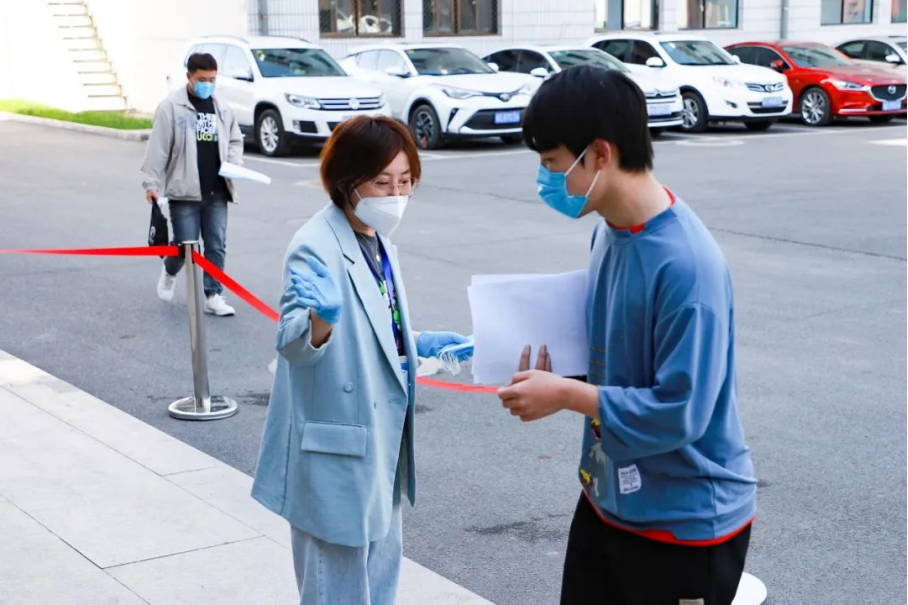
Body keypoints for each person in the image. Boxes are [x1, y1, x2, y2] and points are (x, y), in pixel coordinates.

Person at [497, 66, 757, 605]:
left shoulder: (687, 267)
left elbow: (680, 411)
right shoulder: (610, 232)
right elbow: (612, 355)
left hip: (682, 525)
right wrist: (557, 371)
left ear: (599, 154)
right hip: (607, 499)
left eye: (551, 163)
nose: (545, 179)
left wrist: (565, 395)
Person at [251, 115, 472, 605]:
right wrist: (320, 321)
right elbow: (291, 343)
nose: (396, 195)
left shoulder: (377, 238)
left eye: (405, 182)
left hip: (380, 445)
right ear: (347, 180)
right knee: (337, 589)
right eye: (382, 182)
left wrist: (421, 343)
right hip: (337, 449)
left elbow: (377, 324)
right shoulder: (315, 245)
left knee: (380, 576)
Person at [141, 52, 243, 316]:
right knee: (184, 246)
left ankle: (213, 294)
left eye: (212, 79)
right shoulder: (171, 107)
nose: (208, 84)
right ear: (189, 77)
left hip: (217, 189)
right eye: (202, 79)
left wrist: (233, 163)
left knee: (216, 245)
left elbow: (234, 140)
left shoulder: (222, 108)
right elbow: (158, 148)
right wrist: (151, 183)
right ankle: (169, 270)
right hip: (184, 190)